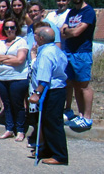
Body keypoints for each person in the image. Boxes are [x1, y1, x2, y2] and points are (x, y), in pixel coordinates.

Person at [28, 26, 68, 165]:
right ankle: (48, 150)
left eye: (36, 34)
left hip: (52, 91)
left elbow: (45, 77)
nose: (34, 36)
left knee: (53, 123)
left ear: (41, 38)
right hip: (57, 89)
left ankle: (59, 155)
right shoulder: (55, 50)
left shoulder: (46, 53)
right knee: (46, 122)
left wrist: (37, 93)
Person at [61, 0, 96, 132]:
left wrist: (69, 30)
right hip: (69, 51)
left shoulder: (88, 12)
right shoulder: (72, 13)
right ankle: (80, 115)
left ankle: (87, 117)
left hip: (82, 52)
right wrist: (70, 30)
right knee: (74, 84)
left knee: (84, 85)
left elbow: (76, 33)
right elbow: (62, 32)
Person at [0, 18, 29, 142]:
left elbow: (20, 60)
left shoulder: (21, 42)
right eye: (7, 28)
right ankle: (9, 128)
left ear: (16, 28)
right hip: (2, 78)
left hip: (18, 78)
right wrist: (9, 57)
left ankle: (20, 130)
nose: (9, 30)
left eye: (12, 27)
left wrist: (2, 59)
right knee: (6, 104)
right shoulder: (1, 43)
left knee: (17, 104)